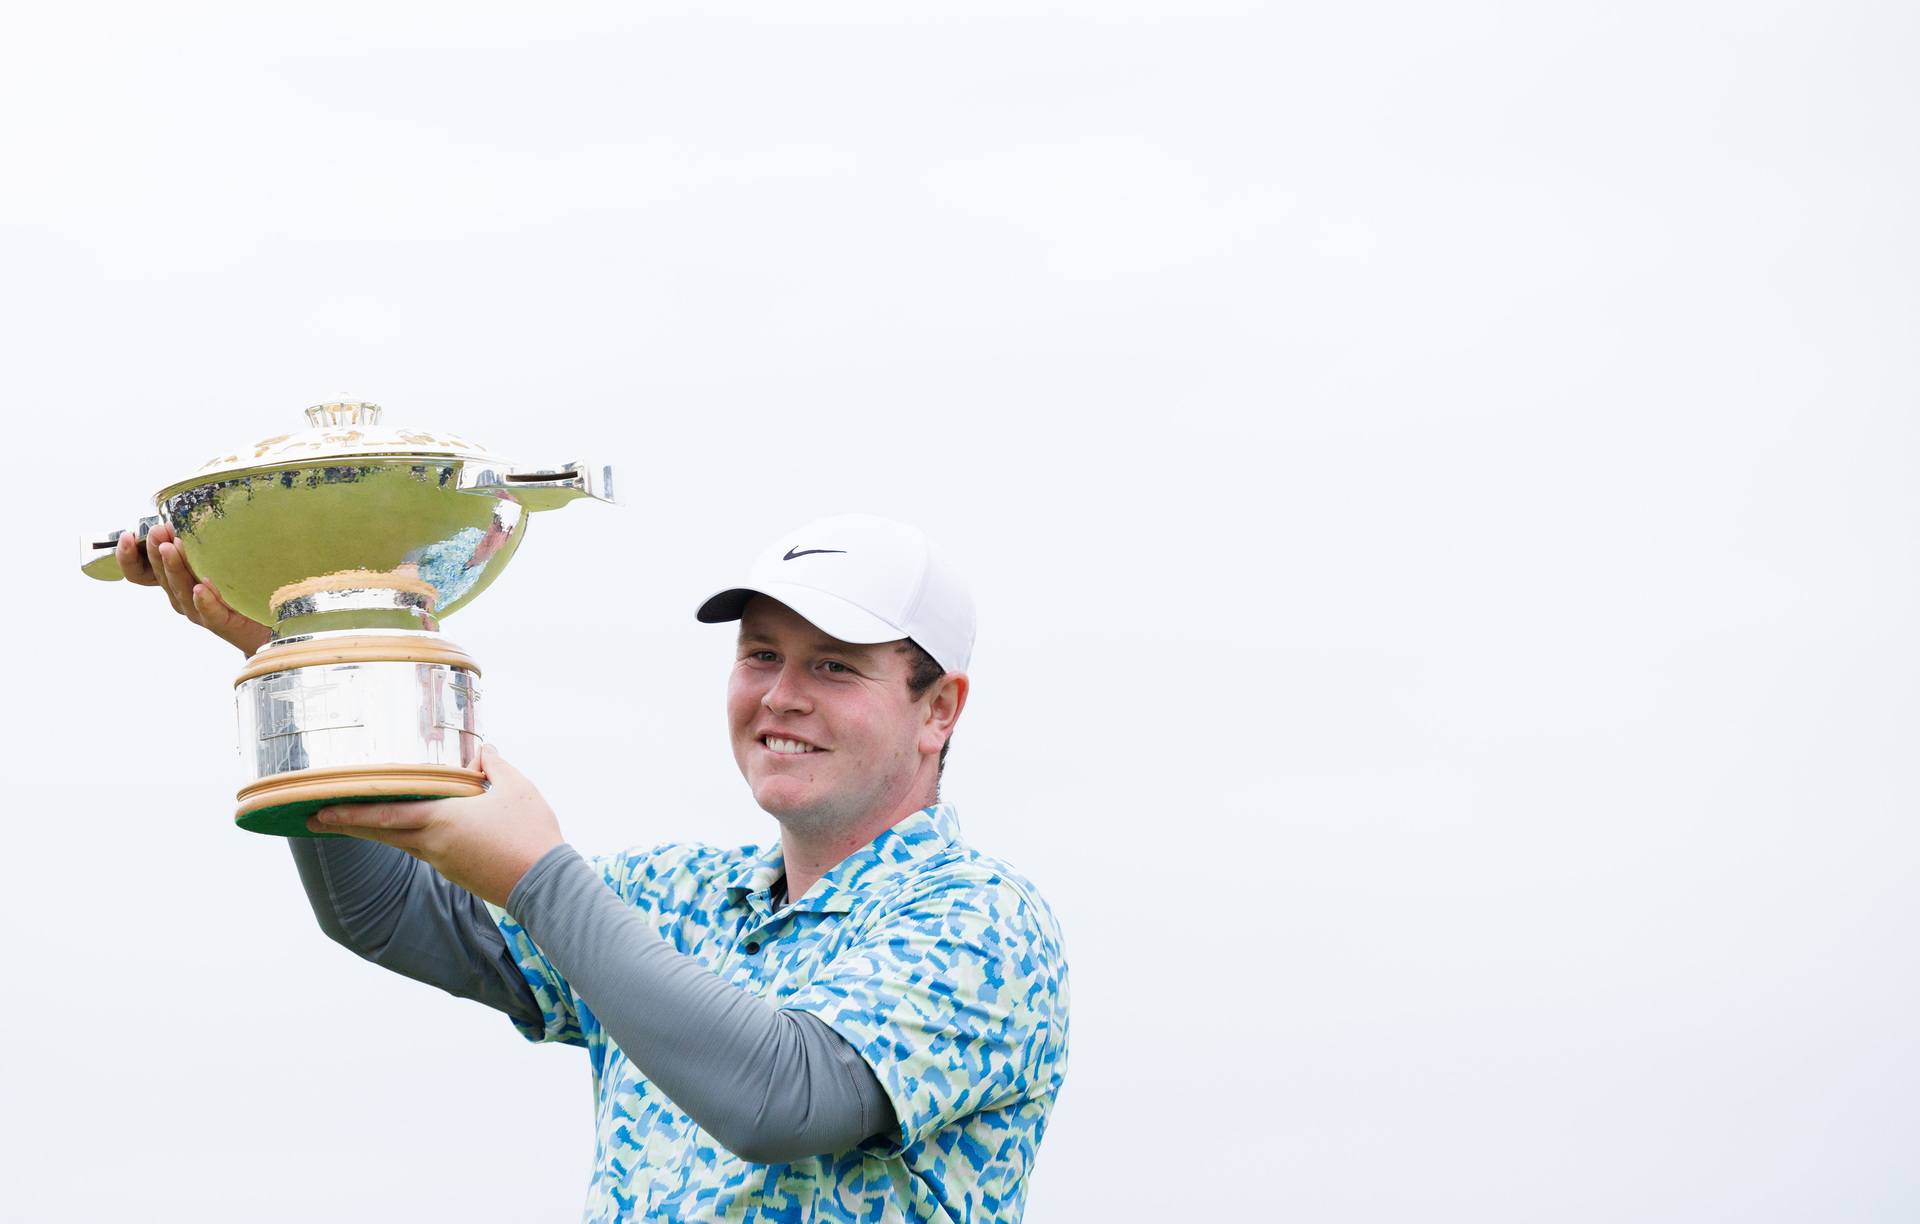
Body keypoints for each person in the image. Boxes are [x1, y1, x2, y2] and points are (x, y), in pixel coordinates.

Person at [117, 512, 1070, 1223]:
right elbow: (387, 913)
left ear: (939, 708)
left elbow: (782, 1099)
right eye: (762, 656)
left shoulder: (986, 923)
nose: (781, 696)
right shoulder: (674, 893)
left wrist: (540, 873)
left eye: (834, 668)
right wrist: (314, 667)